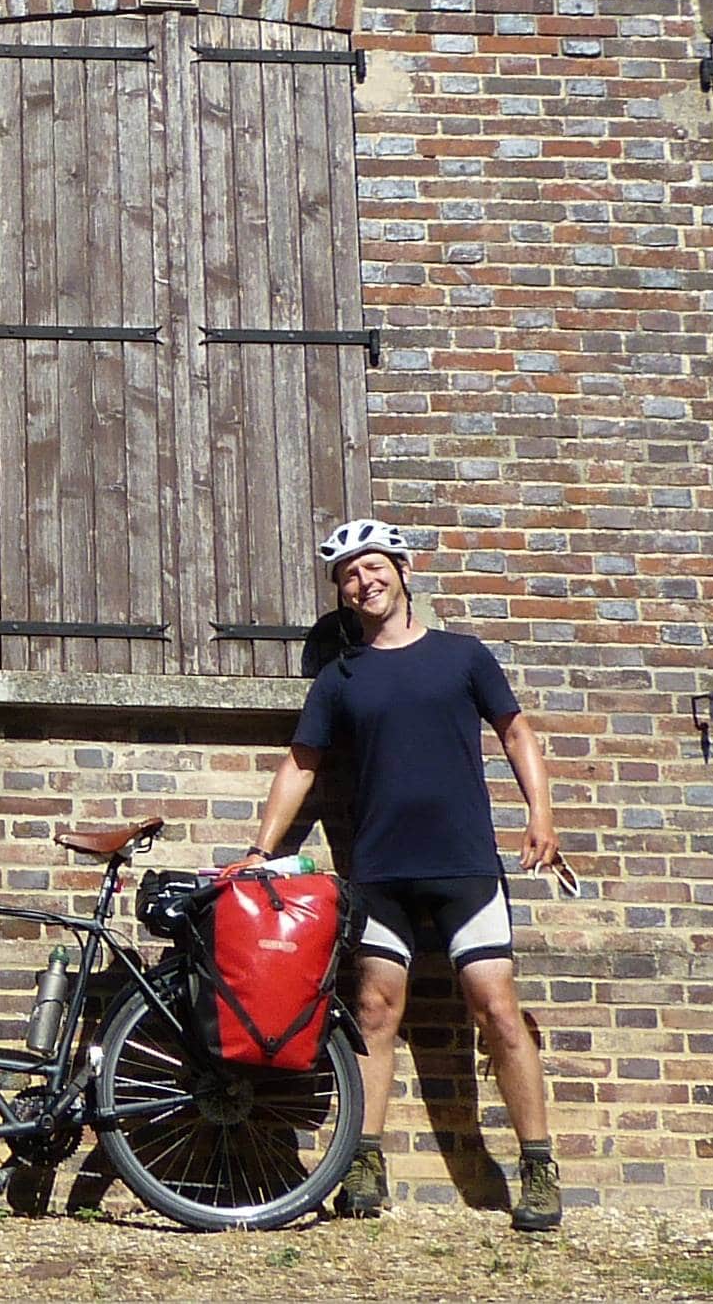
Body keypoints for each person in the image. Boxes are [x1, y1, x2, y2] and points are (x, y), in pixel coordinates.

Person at [235, 518, 565, 1233]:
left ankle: (537, 1163)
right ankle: (363, 1159)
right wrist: (261, 848)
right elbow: (301, 763)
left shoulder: (462, 655)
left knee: (496, 1010)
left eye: (374, 566)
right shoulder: (339, 677)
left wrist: (540, 815)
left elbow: (515, 730)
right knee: (374, 1013)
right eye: (349, 574)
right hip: (381, 869)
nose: (364, 581)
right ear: (342, 592)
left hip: (464, 865)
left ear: (402, 569)